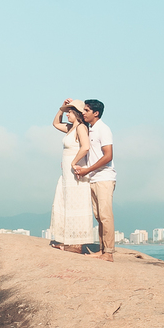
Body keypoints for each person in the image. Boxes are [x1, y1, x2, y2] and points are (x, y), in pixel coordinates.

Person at [48, 101, 96, 253]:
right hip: (67, 173)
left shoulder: (81, 128)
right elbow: (55, 123)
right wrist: (60, 108)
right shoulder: (70, 128)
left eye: (69, 112)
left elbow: (86, 146)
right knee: (65, 202)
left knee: (76, 203)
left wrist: (74, 162)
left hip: (75, 171)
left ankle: (76, 245)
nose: (66, 114)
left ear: (76, 113)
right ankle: (67, 241)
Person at [72, 99, 115, 261]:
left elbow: (108, 156)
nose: (83, 113)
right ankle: (103, 250)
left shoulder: (103, 129)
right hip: (94, 178)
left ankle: (109, 253)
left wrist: (87, 170)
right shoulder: (91, 129)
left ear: (95, 113)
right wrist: (70, 104)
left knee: (105, 216)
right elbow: (72, 120)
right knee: (99, 216)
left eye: (87, 110)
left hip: (104, 177)